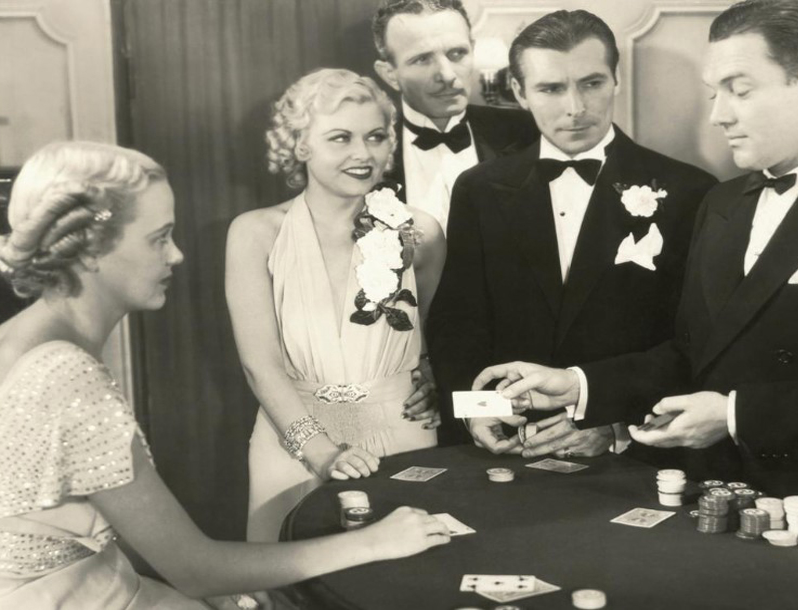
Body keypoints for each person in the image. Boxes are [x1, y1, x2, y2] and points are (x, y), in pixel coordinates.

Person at [473, 0, 798, 556]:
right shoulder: (725, 203)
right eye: (714, 93)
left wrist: (734, 416)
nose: (719, 115)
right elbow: (693, 354)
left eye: (740, 89)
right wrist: (583, 385)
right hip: (704, 507)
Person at [0, 141, 450, 610]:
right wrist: (373, 542)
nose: (177, 255)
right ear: (91, 251)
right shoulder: (63, 373)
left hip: (82, 579)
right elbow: (196, 569)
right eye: (159, 239)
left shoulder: (20, 337)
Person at [427, 10, 717, 455]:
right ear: (520, 93)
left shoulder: (691, 192)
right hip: (507, 446)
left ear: (616, 80)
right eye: (551, 88)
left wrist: (612, 422)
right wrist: (477, 408)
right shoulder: (480, 189)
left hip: (635, 454)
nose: (575, 107)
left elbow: (695, 345)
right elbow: (458, 325)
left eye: (591, 83)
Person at [227, 69, 447, 542]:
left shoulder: (421, 233)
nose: (362, 154)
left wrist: (432, 377)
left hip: (403, 435)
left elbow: (436, 332)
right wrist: (322, 451)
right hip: (292, 439)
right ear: (301, 144)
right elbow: (258, 366)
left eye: (374, 137)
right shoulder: (254, 234)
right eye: (340, 138)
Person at [371, 0, 539, 231]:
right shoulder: (367, 152)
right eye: (422, 59)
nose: (447, 75)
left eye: (457, 53)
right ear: (390, 74)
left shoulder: (528, 133)